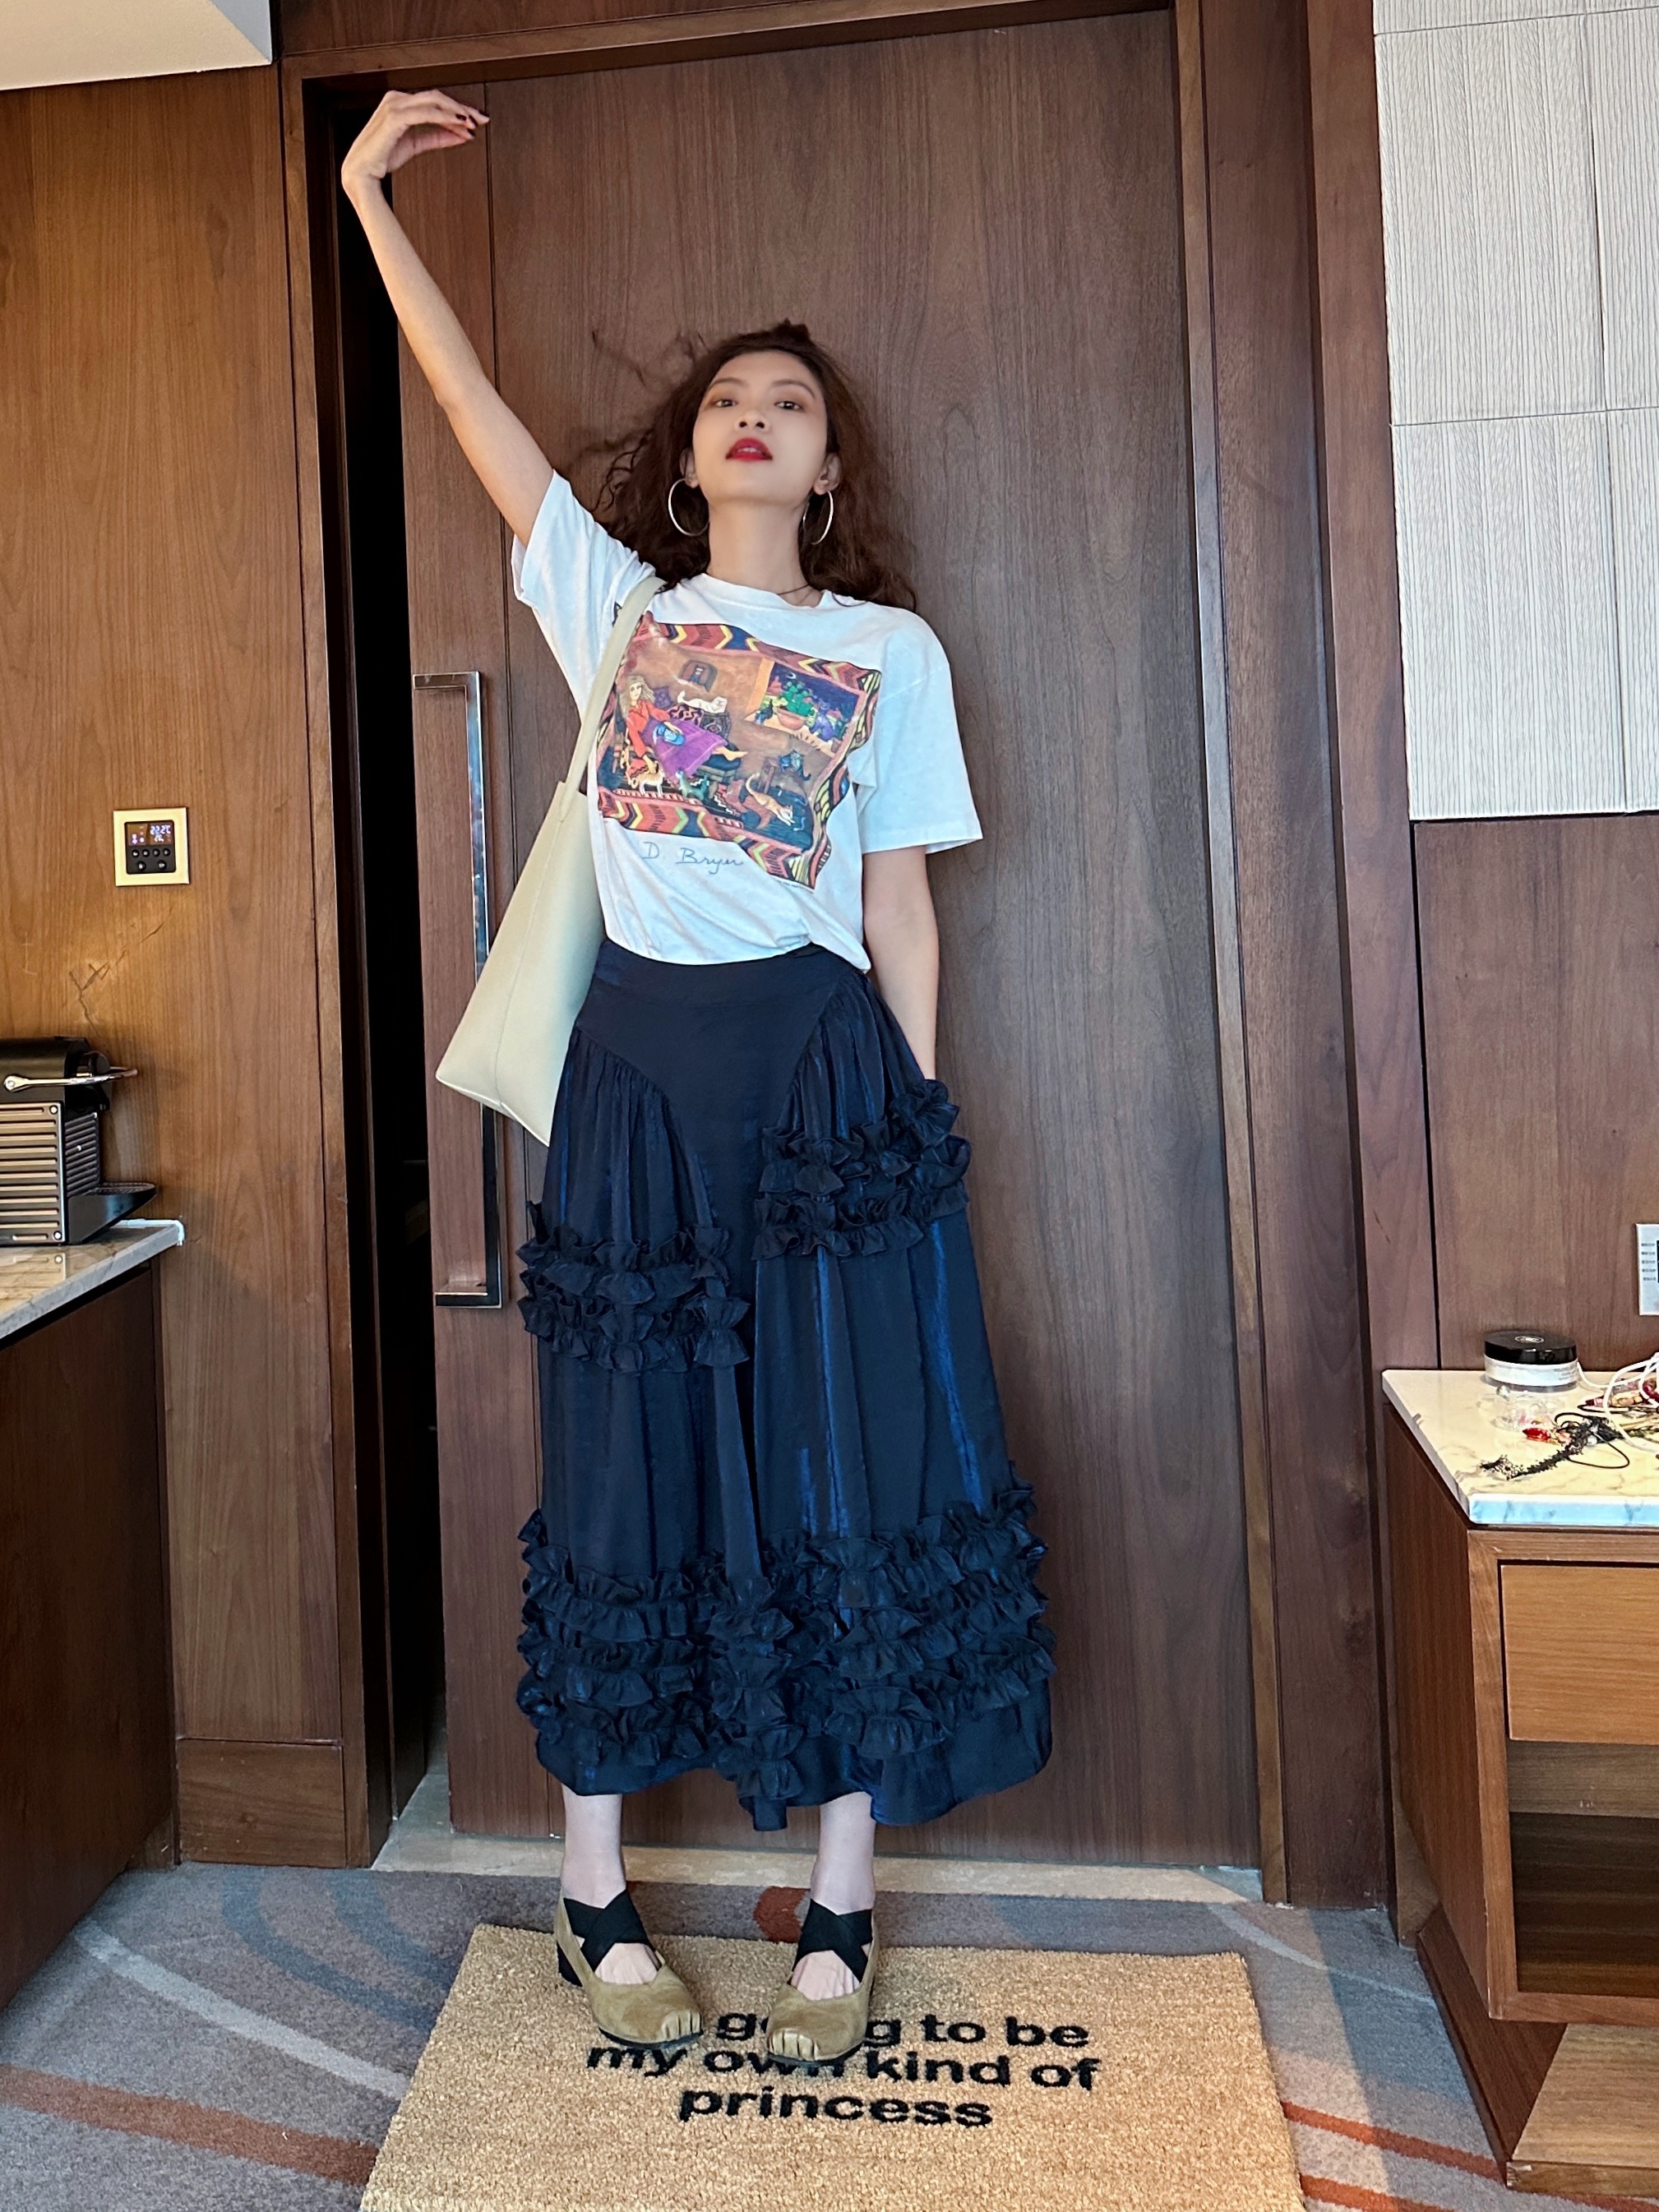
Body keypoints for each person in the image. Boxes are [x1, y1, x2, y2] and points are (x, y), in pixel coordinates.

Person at [342, 88, 1053, 2066]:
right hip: (638, 1079)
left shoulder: (891, 650)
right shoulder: (622, 610)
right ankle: (591, 1899)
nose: (753, 416)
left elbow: (900, 907)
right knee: (622, 1460)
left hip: (828, 1086)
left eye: (788, 405)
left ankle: (840, 1907)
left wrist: (909, 1140)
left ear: (826, 470)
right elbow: (473, 414)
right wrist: (365, 196)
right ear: (688, 461)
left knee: (848, 1462)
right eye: (728, 400)